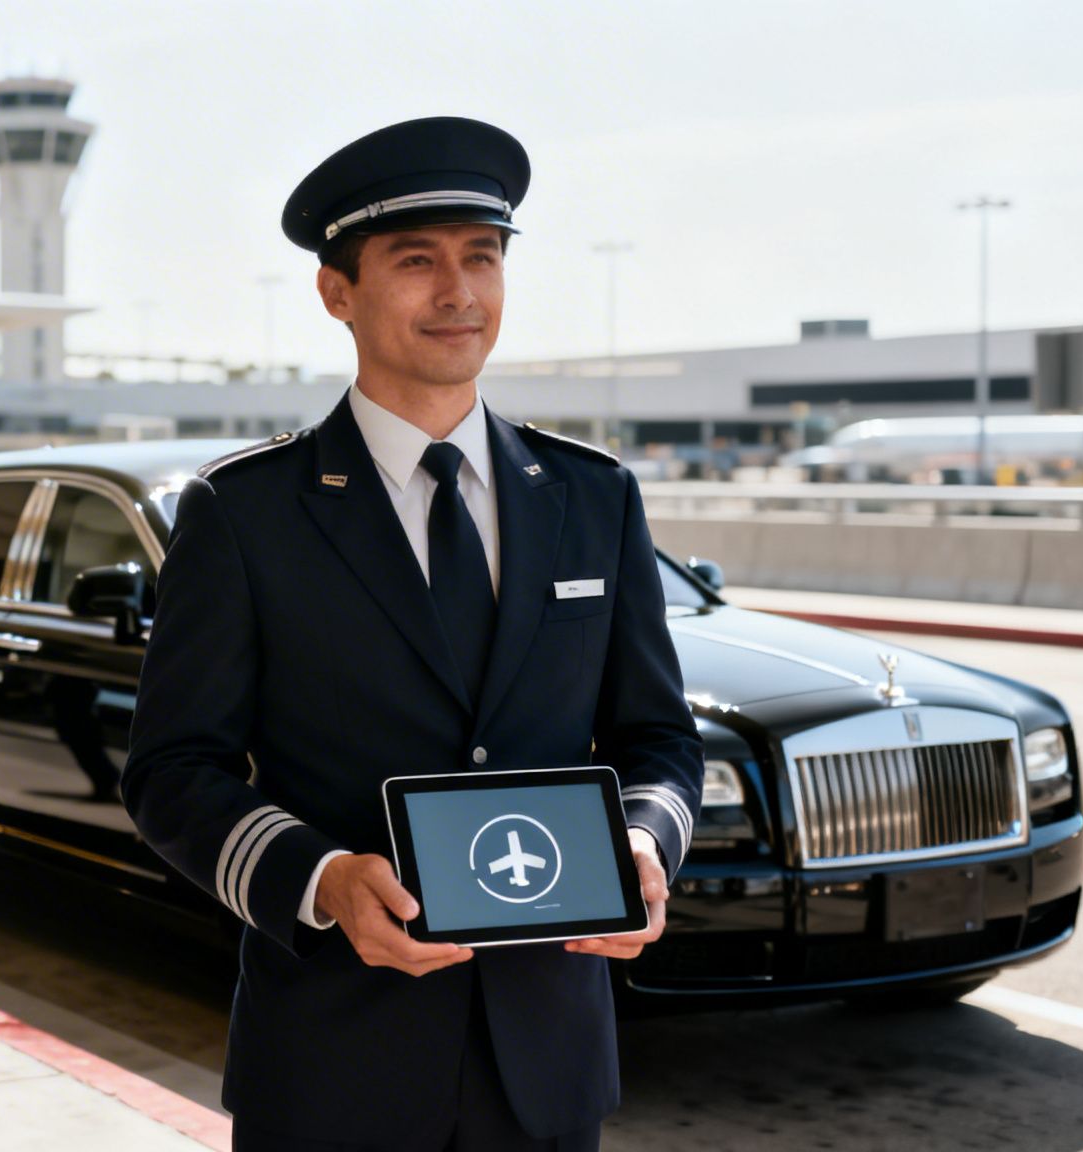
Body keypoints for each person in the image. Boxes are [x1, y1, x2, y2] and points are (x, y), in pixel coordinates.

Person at [122, 118, 704, 1151]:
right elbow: (172, 767)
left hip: (547, 1062)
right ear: (335, 292)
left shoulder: (591, 497)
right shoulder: (247, 513)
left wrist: (643, 843)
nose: (458, 292)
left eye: (481, 257)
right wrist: (319, 880)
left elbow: (656, 740)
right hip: (331, 1064)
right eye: (416, 261)